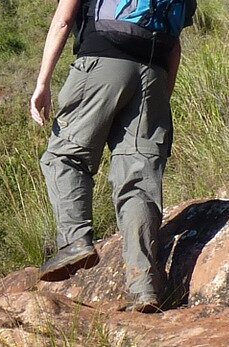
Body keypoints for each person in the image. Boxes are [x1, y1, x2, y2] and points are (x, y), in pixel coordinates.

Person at [28, 0, 197, 313]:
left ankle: (75, 239)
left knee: (65, 155)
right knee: (139, 181)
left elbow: (64, 20)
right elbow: (175, 46)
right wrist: (159, 98)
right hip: (155, 73)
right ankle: (144, 287)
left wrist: (43, 82)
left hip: (102, 61)